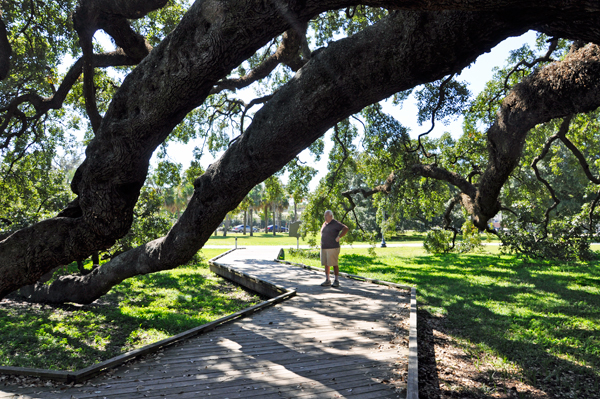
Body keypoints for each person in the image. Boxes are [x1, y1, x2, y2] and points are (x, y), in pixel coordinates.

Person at [320, 210, 349, 287]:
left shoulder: (335, 223)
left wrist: (339, 237)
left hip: (333, 247)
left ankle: (336, 280)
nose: (325, 217)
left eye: (326, 215)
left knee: (334, 264)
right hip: (324, 247)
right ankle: (327, 280)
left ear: (331, 216)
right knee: (326, 264)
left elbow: (346, 228)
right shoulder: (324, 224)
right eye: (324, 215)